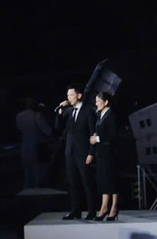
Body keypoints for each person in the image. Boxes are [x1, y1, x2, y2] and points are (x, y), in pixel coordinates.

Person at [55, 86, 98, 220]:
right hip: (70, 151)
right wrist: (60, 112)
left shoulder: (88, 111)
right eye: (68, 95)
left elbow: (93, 132)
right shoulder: (68, 111)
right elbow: (57, 128)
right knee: (72, 182)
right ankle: (75, 210)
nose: (69, 98)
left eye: (72, 95)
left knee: (87, 181)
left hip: (83, 152)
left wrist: (91, 153)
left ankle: (92, 210)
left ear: (79, 96)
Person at [89, 91, 121, 221]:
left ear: (106, 102)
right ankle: (104, 207)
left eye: (98, 101)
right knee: (103, 180)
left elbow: (113, 135)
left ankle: (113, 207)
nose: (96, 103)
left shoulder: (111, 115)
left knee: (111, 180)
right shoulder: (100, 114)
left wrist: (97, 139)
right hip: (101, 153)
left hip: (110, 153)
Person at [16, 97, 54, 189]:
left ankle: (27, 200)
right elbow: (47, 131)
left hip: (25, 149)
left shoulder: (19, 116)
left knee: (28, 178)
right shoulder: (37, 116)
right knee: (39, 178)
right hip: (37, 150)